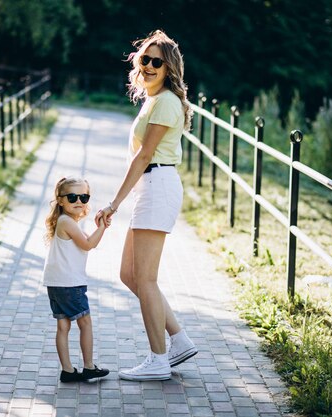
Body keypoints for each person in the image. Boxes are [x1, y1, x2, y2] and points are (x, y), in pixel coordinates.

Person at [95, 30, 197, 381]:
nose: (150, 66)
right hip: (150, 188)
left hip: (157, 185)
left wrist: (113, 202)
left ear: (169, 69)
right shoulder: (154, 100)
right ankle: (179, 340)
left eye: (158, 61)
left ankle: (158, 360)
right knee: (130, 274)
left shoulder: (166, 101)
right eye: (145, 59)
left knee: (146, 279)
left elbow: (144, 155)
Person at [43, 176, 111, 383]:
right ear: (60, 200)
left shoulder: (67, 221)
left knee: (63, 327)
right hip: (69, 283)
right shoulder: (66, 222)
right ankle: (89, 367)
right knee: (85, 323)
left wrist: (99, 227)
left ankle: (68, 370)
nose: (79, 201)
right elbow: (88, 245)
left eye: (84, 196)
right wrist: (102, 227)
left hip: (57, 283)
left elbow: (87, 243)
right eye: (72, 197)